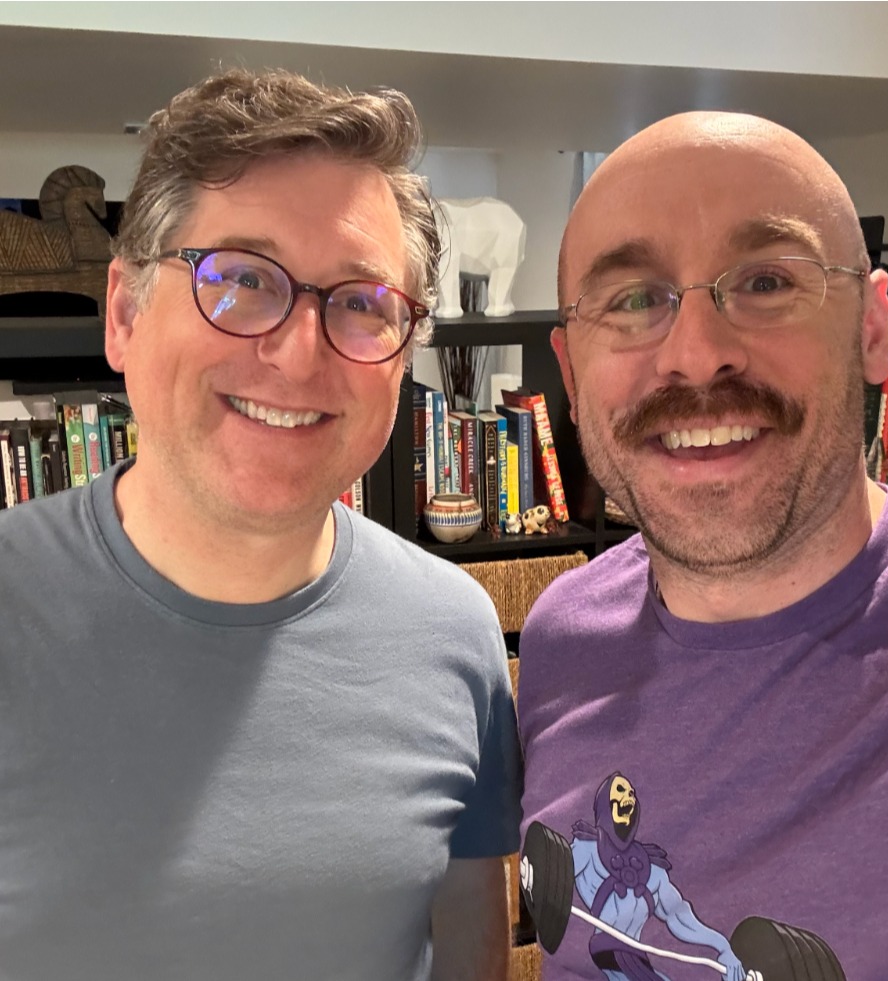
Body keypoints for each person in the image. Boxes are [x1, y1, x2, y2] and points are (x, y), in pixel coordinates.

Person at [0, 69, 521, 981]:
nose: (296, 352)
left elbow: (469, 948)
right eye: (241, 278)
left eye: (360, 301)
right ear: (123, 313)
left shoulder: (453, 631)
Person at [517, 111, 888, 981]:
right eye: (632, 299)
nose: (696, 356)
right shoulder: (560, 635)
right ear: (570, 374)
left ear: (871, 328)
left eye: (766, 281)